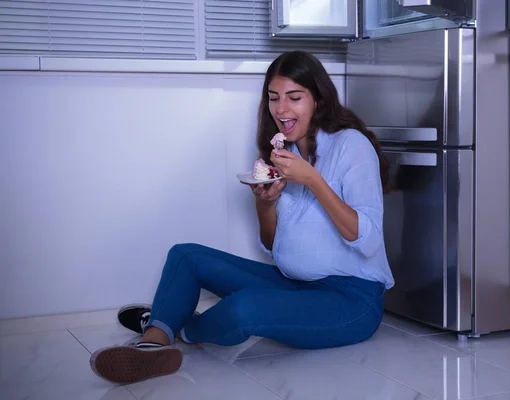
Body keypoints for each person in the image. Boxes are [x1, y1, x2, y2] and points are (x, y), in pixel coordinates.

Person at [89, 51, 395, 385]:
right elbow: (272, 244)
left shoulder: (351, 146)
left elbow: (366, 239)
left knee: (245, 308)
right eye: (273, 98)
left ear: (319, 100)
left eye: (295, 98)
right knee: (186, 255)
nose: (281, 109)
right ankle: (154, 342)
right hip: (295, 285)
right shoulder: (284, 154)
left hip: (350, 301)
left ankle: (183, 329)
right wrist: (265, 204)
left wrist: (313, 180)